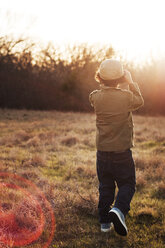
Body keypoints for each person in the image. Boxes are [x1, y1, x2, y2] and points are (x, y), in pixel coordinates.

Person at [89, 59, 144, 236]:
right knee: (128, 183)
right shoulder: (126, 97)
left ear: (100, 77)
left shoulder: (94, 96)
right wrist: (130, 81)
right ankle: (118, 210)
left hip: (102, 152)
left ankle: (104, 223)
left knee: (105, 186)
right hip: (122, 152)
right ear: (120, 77)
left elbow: (102, 95)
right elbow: (140, 101)